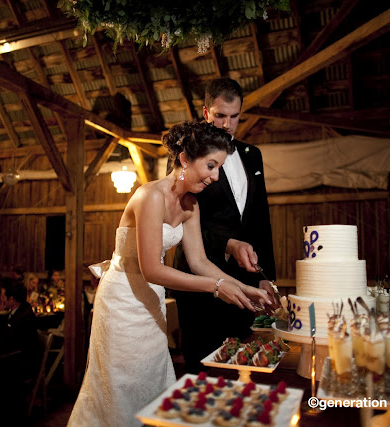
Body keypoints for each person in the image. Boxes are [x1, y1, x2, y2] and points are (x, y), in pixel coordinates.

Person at [67, 120, 273, 427]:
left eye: (220, 169)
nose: (215, 177)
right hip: (121, 303)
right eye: (211, 166)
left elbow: (200, 261)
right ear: (185, 160)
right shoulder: (149, 196)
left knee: (152, 381)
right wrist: (217, 288)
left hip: (152, 302)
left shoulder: (191, 205)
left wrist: (244, 287)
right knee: (120, 389)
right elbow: (152, 268)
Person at [173, 77, 278, 373]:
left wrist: (265, 275)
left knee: (242, 366)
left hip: (242, 279)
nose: (227, 125)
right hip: (199, 277)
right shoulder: (188, 154)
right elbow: (183, 221)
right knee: (205, 368)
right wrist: (228, 244)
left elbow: (260, 220)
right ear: (206, 112)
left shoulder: (252, 155)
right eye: (220, 116)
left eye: (234, 117)